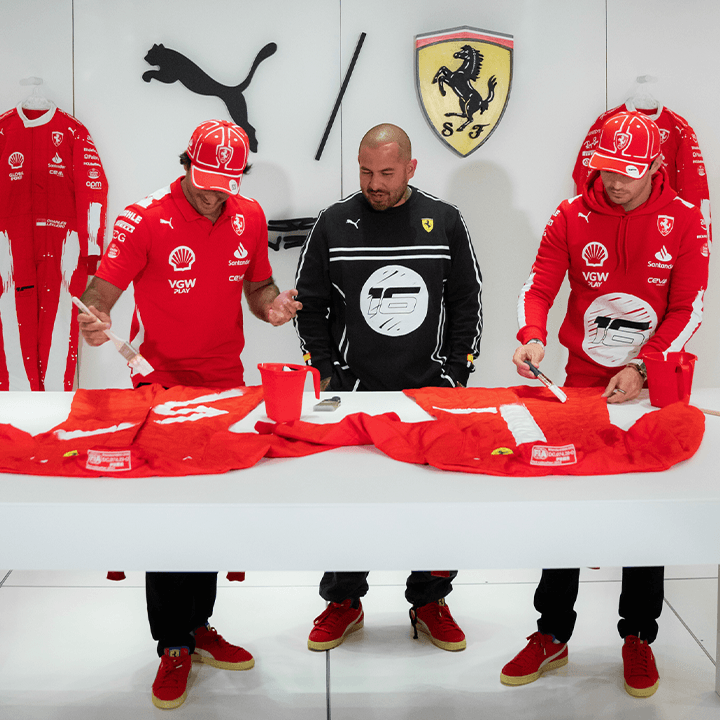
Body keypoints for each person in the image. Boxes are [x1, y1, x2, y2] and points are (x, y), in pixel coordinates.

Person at [77, 119, 301, 710]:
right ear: (185, 165)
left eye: (225, 186)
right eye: (204, 183)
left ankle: (199, 626)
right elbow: (99, 294)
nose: (213, 196)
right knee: (169, 517)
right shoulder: (143, 218)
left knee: (208, 513)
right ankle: (173, 644)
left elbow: (258, 289)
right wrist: (95, 320)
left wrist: (273, 308)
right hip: (161, 386)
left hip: (225, 384)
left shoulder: (249, 215)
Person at [504, 111, 709, 697]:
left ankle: (639, 635)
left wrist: (645, 367)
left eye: (626, 173)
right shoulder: (570, 214)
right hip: (581, 384)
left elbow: (689, 307)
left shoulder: (686, 220)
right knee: (565, 505)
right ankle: (551, 631)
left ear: (654, 167)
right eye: (605, 170)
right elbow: (539, 285)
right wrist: (532, 335)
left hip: (651, 383)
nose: (613, 182)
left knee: (646, 509)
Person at [294, 123, 483, 653]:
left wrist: (455, 376)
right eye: (365, 172)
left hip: (428, 392)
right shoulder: (333, 223)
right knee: (347, 504)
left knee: (435, 505)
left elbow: (466, 302)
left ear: (410, 168)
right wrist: (326, 375)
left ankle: (430, 601)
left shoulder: (444, 220)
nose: (374, 184)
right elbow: (309, 307)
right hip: (354, 395)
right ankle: (343, 600)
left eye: (386, 173)